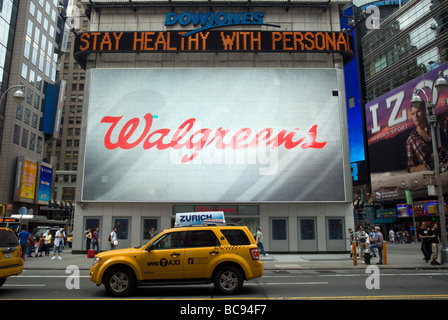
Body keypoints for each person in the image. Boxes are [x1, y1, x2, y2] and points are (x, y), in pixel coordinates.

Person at [406, 100, 448, 173]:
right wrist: (419, 168)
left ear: (424, 111)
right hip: (432, 175)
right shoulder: (411, 140)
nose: (416, 116)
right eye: (413, 113)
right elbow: (410, 168)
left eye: (418, 112)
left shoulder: (440, 124)